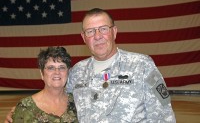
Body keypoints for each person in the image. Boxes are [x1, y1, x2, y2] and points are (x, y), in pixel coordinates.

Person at [5, 8, 176, 123]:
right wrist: (25, 108)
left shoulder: (142, 65)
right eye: (90, 31)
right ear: (83, 37)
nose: (97, 36)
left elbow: (164, 114)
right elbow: (57, 96)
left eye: (103, 29)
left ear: (114, 32)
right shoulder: (77, 72)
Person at [8, 47, 78, 123]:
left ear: (67, 73)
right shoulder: (25, 107)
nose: (57, 72)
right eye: (51, 68)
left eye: (62, 68)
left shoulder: (78, 102)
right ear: (42, 74)